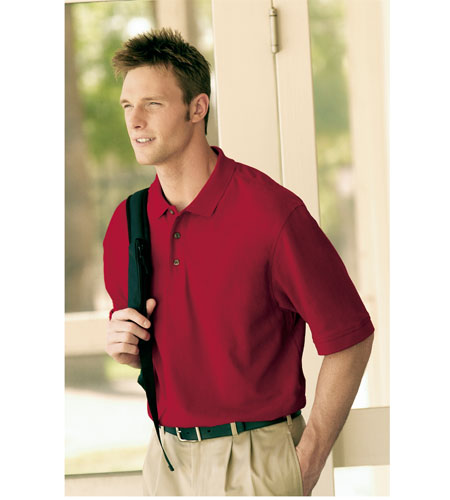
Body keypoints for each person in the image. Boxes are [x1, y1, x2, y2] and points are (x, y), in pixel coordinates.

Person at [103, 27, 374, 496]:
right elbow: (164, 346)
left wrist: (307, 460)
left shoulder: (271, 214)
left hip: (256, 461)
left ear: (197, 108)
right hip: (166, 463)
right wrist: (125, 346)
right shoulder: (127, 222)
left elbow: (351, 337)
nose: (135, 121)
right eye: (128, 105)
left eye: (153, 104)